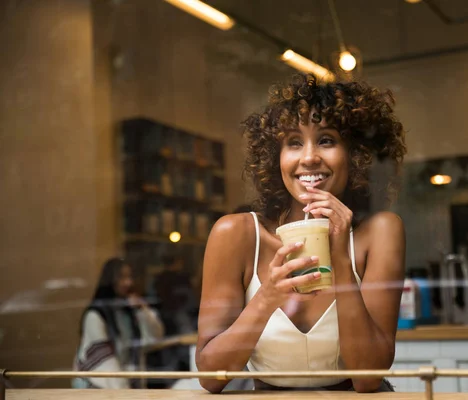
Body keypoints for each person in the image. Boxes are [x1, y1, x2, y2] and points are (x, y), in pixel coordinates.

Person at [196, 74, 407, 393]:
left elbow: (367, 378)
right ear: (274, 157)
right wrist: (266, 297)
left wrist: (340, 262)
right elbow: (211, 377)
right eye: (293, 142)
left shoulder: (380, 232)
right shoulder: (236, 235)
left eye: (326, 140)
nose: (308, 157)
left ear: (355, 154)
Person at [73, 258, 165, 389]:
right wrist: (126, 392)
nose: (128, 282)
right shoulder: (95, 315)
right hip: (99, 389)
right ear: (110, 280)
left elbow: (156, 336)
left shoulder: (128, 312)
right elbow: (105, 362)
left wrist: (142, 309)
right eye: (122, 277)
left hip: (123, 388)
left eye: (129, 277)